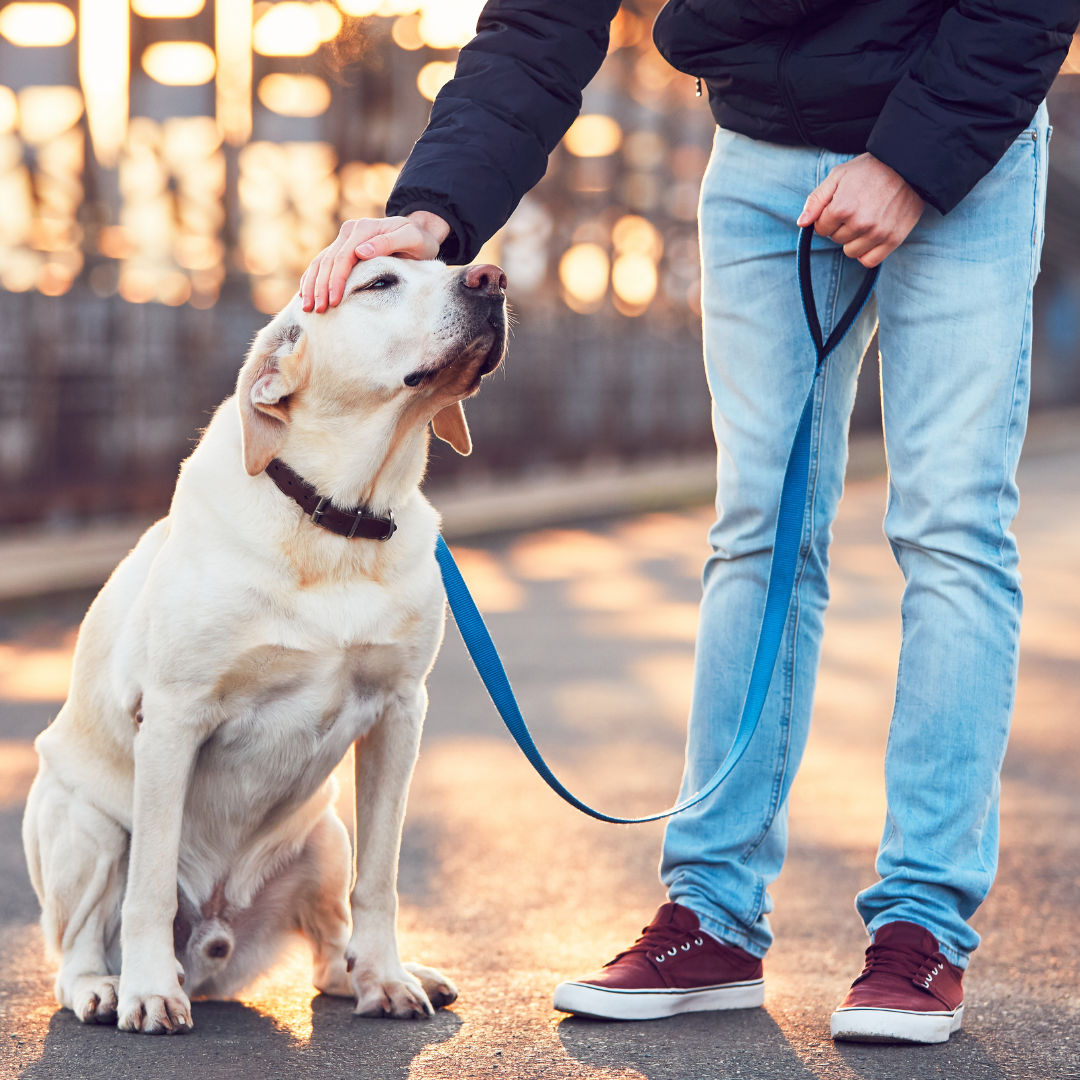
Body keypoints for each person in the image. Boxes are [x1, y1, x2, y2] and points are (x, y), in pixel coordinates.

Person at [300, 0, 1080, 1044]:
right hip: (759, 155)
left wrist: (910, 162)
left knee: (950, 527)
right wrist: (434, 210)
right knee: (755, 531)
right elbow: (540, 22)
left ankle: (920, 929)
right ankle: (711, 918)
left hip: (959, 152)